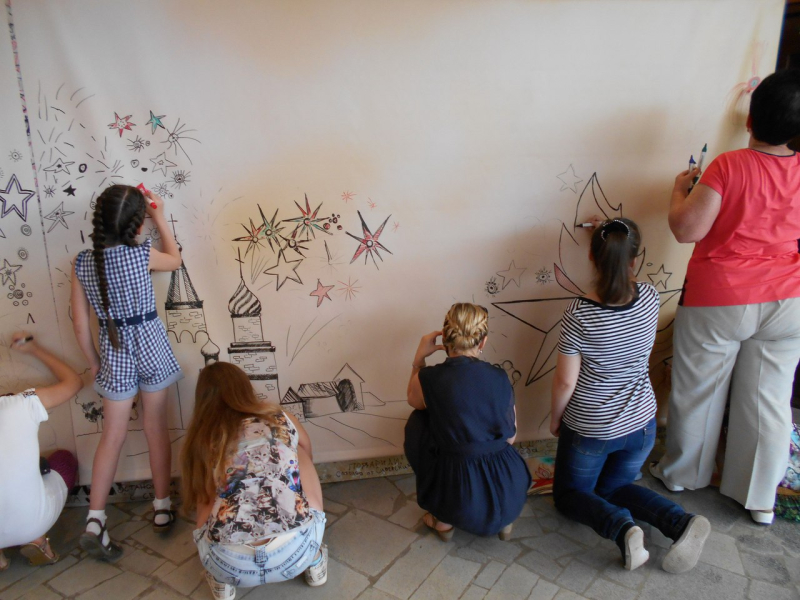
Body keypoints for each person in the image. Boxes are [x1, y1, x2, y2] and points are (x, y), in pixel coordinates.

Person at [651, 70, 800, 525]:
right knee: (769, 400)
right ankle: (759, 499)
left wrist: (679, 192)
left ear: (750, 121)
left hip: (722, 296)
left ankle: (682, 475)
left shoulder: (729, 165)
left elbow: (686, 229)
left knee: (700, 389)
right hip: (789, 300)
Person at [550, 218, 710, 573]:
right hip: (642, 423)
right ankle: (680, 522)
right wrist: (613, 239)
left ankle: (622, 528)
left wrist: (556, 419)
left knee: (569, 496)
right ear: (634, 259)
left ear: (591, 257)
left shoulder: (579, 313)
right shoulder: (650, 297)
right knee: (615, 487)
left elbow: (564, 383)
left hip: (591, 429)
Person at [71, 184, 183, 561]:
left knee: (112, 436)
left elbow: (80, 325)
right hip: (150, 344)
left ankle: (95, 520)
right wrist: (159, 216)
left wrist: (94, 361)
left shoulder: (83, 263)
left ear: (99, 221)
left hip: (113, 348)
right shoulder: (140, 254)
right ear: (137, 225)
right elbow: (175, 259)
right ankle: (162, 506)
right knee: (156, 428)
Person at [182, 362, 327, 600]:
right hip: (296, 552)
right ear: (245, 388)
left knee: (208, 489)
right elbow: (307, 450)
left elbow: (204, 509)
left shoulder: (203, 438)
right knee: (298, 453)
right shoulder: (280, 417)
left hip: (228, 564)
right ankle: (314, 560)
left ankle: (221, 581)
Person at [404, 303, 531, 540]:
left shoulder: (429, 377)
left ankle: (444, 522)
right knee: (493, 442)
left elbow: (414, 400)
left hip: (456, 484)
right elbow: (511, 437)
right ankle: (504, 520)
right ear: (482, 342)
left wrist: (419, 359)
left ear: (445, 338)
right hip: (509, 481)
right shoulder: (499, 376)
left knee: (418, 420)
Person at [0, 333, 82, 569]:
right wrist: (33, 349)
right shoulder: (20, 402)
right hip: (31, 522)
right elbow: (73, 383)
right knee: (62, 460)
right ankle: (38, 541)